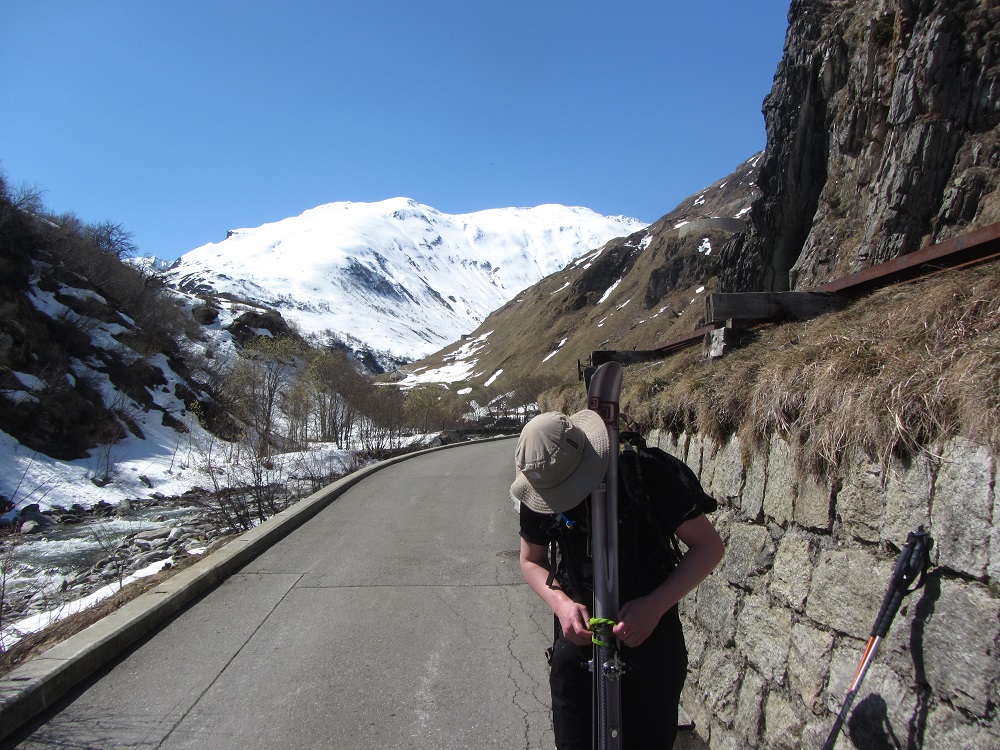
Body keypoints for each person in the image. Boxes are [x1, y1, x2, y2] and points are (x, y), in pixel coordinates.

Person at [512, 410, 724, 749]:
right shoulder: (543, 483)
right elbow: (531, 560)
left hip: (651, 642)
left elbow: (708, 547)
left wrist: (654, 607)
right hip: (578, 647)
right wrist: (562, 606)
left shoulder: (645, 473)